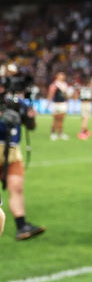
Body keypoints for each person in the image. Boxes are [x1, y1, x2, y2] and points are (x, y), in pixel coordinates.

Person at [0, 64, 45, 240]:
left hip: (12, 150)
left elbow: (31, 126)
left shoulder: (19, 102)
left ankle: (21, 226)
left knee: (16, 187)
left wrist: (30, 117)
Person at [47, 71, 70, 140]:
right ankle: (53, 133)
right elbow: (51, 94)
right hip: (56, 103)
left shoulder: (65, 84)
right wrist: (48, 103)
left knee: (61, 119)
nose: (62, 76)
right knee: (55, 119)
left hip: (63, 103)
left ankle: (60, 133)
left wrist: (67, 102)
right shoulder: (54, 84)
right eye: (60, 75)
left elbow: (66, 95)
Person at [77, 74, 92, 140]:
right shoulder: (91, 89)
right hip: (88, 103)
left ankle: (86, 130)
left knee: (83, 118)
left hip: (82, 103)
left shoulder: (81, 88)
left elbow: (77, 95)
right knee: (86, 118)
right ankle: (82, 132)